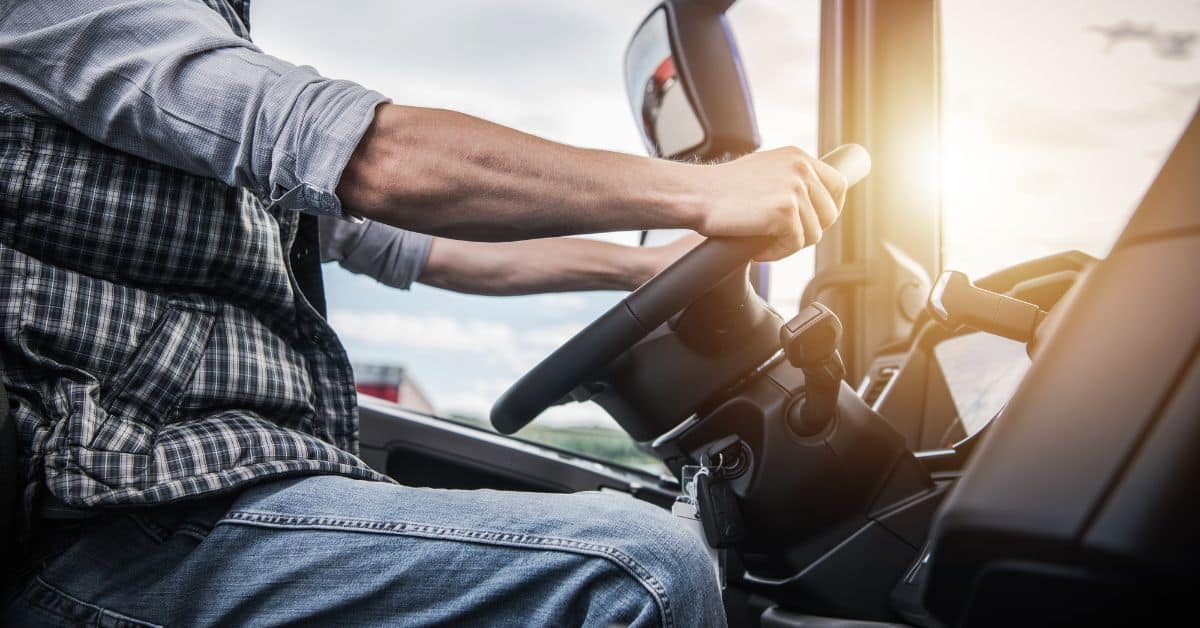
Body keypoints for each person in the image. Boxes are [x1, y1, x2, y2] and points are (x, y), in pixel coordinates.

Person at [0, 1, 847, 626]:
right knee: (640, 571)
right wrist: (703, 193)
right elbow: (377, 158)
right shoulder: (80, 16)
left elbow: (427, 243)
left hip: (223, 496)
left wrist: (651, 265)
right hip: (120, 521)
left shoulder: (199, 44)